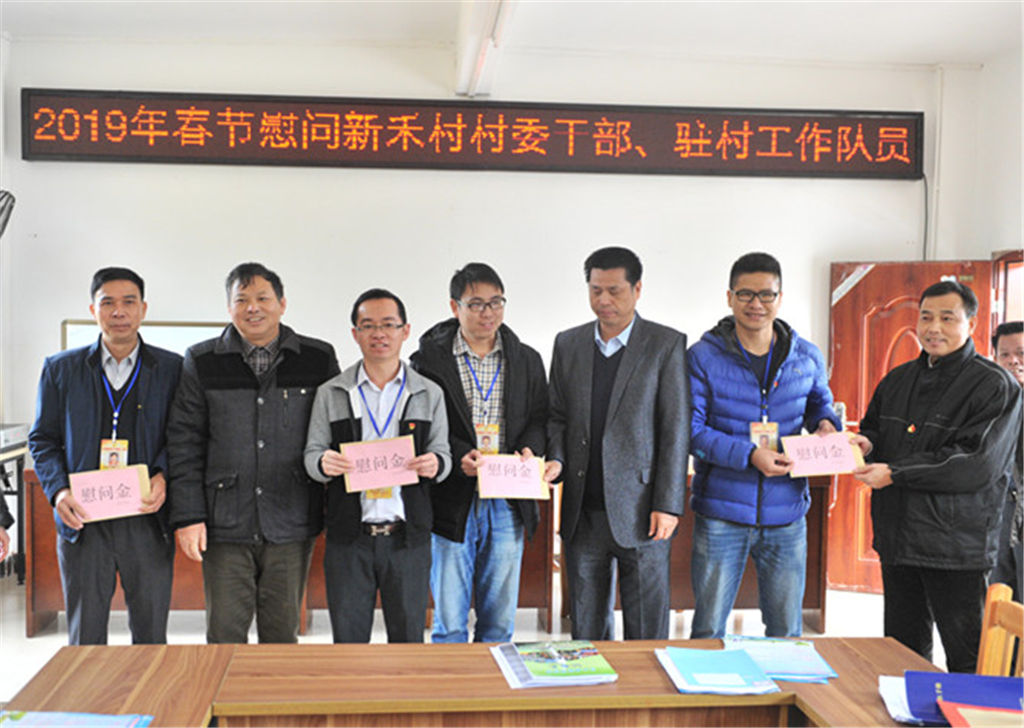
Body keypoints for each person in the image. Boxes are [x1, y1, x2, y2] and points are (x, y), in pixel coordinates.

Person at [851, 281, 1021, 673]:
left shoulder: (995, 385)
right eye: (926, 317)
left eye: (947, 318)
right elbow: (875, 430)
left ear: (971, 324)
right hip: (898, 537)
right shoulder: (897, 379)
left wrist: (896, 473)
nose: (934, 328)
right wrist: (866, 444)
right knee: (902, 652)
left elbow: (976, 463)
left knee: (968, 657)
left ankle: (971, 709)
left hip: (956, 546)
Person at [168, 262, 339, 644]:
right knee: (224, 636)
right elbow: (184, 443)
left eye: (263, 298)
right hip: (225, 521)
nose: (253, 307)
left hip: (292, 516)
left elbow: (337, 431)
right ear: (229, 307)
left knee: (281, 637)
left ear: (282, 303)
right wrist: (189, 517)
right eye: (242, 299)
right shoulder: (202, 360)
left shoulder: (317, 358)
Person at [687, 252, 841, 639]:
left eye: (766, 295)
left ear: (780, 298)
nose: (756, 303)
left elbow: (819, 405)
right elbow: (692, 430)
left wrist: (825, 424)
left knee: (786, 630)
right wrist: (749, 455)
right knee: (708, 629)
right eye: (745, 294)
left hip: (786, 513)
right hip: (721, 513)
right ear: (729, 297)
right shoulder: (702, 357)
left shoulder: (806, 356)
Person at [28, 267, 181, 644]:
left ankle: (148, 687)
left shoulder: (173, 369)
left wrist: (163, 474)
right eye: (108, 302)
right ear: (93, 310)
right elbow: (43, 439)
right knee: (85, 636)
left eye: (129, 302)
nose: (119, 311)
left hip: (146, 518)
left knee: (150, 634)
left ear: (143, 308)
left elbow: (183, 436)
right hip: (84, 519)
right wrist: (59, 491)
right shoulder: (60, 369)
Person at [546, 246, 688, 641]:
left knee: (646, 630)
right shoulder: (568, 344)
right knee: (587, 629)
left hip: (643, 510)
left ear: (637, 289)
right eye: (596, 290)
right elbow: (557, 415)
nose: (604, 300)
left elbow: (675, 429)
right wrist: (556, 459)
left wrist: (668, 504)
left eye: (614, 290)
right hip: (583, 511)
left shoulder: (664, 344)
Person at [410, 263, 554, 643]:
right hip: (452, 498)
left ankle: (494, 679)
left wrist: (531, 447)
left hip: (507, 498)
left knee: (499, 623)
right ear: (454, 307)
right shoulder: (428, 361)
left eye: (496, 302)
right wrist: (458, 454)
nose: (487, 312)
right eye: (475, 304)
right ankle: (450, 679)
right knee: (450, 622)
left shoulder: (526, 359)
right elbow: (419, 424)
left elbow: (540, 417)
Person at [304, 289, 451, 643]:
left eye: (388, 324)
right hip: (349, 539)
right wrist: (323, 463)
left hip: (407, 539)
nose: (379, 334)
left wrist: (436, 464)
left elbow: (443, 454)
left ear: (405, 330)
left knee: (408, 642)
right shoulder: (332, 392)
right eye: (368, 325)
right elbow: (311, 455)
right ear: (355, 334)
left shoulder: (428, 392)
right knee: (349, 644)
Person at [991, 320, 1023, 600]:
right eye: (1005, 355)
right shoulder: (989, 400)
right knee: (999, 593)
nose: (1013, 361)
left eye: (1021, 354)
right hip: (998, 509)